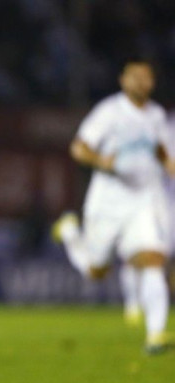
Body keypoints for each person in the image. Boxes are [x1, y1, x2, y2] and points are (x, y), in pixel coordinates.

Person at [52, 59, 175, 354]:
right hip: (108, 202)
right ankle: (70, 233)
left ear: (152, 83)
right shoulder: (109, 112)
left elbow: (158, 147)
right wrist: (101, 161)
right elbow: (78, 147)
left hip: (143, 200)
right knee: (96, 271)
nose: (140, 83)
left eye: (146, 78)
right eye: (135, 77)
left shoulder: (156, 115)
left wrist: (169, 164)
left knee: (153, 259)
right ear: (123, 81)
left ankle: (155, 335)